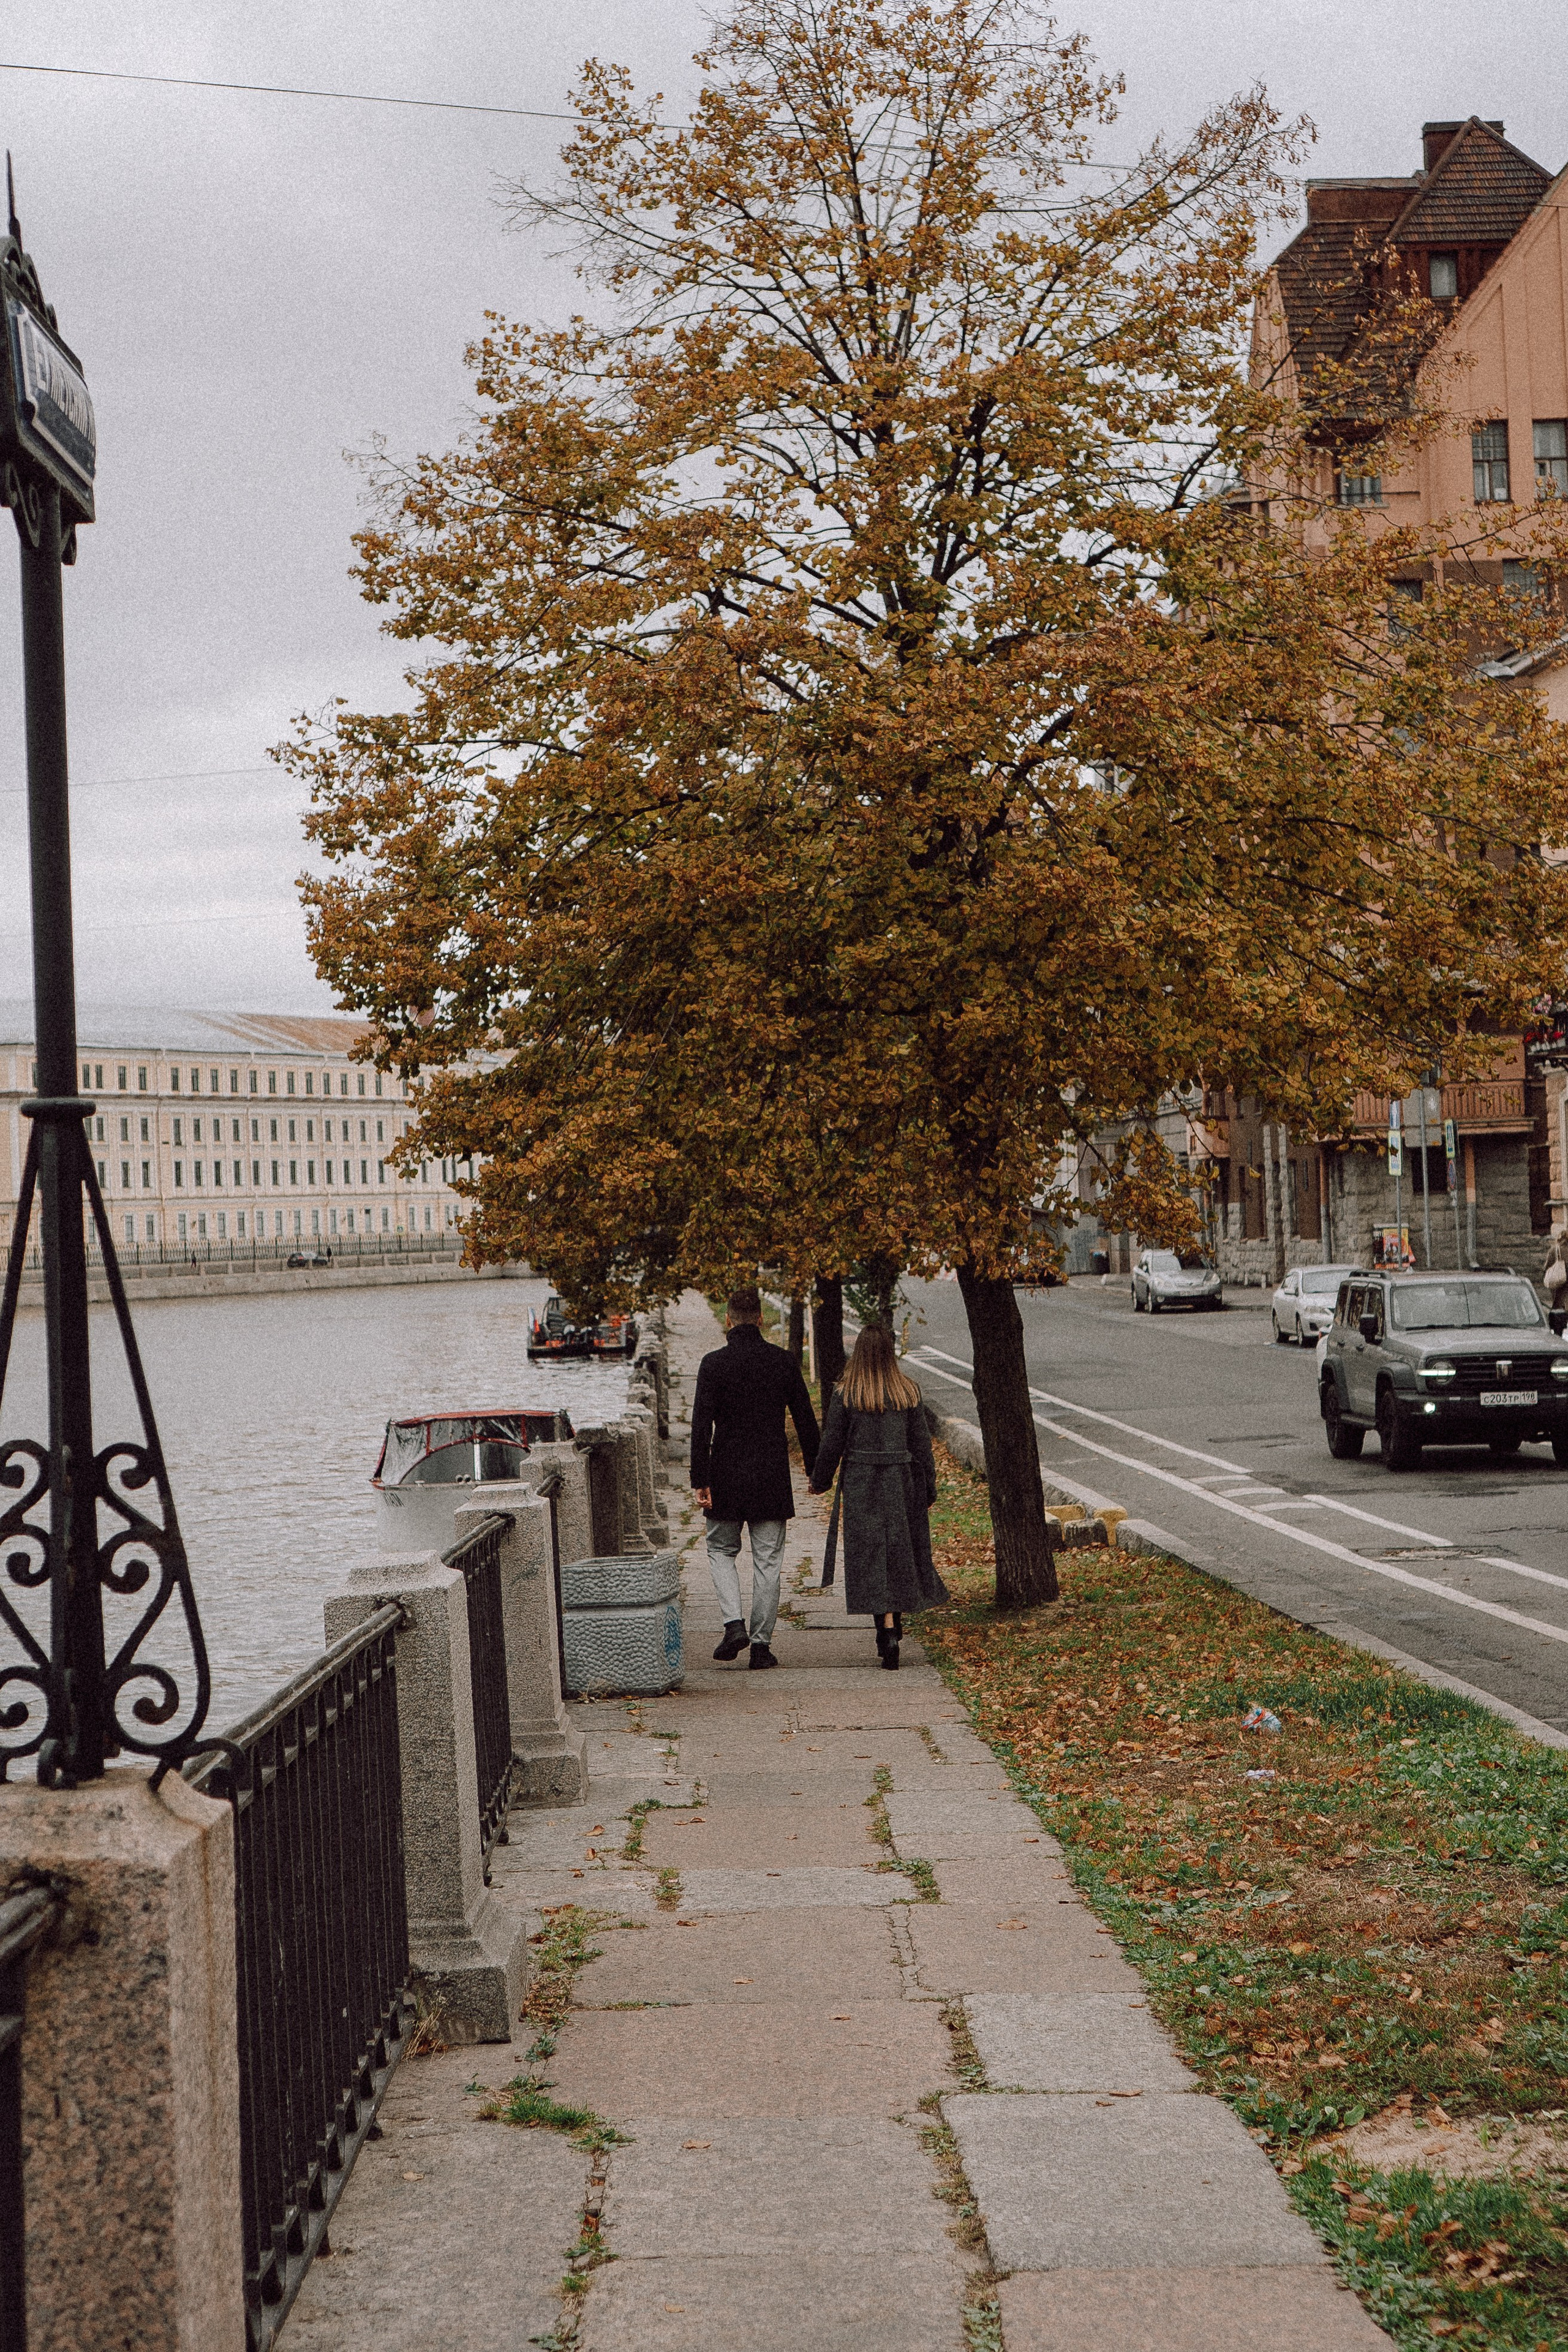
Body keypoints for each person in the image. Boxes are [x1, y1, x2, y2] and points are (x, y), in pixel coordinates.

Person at [690, 1286, 820, 1670]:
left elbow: (701, 1428)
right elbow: (805, 1421)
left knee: (720, 1551)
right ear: (761, 1318)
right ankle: (761, 1646)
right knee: (768, 1560)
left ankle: (734, 1624)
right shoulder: (782, 1361)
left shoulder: (713, 1365)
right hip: (770, 1474)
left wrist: (701, 1478)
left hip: (725, 1473)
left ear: (728, 1319)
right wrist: (816, 1472)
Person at [809, 1324, 946, 1671]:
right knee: (899, 1551)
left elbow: (832, 1444)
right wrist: (927, 1487)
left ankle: (884, 1630)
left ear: (859, 1352)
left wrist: (820, 1481)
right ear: (889, 1353)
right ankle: (892, 1627)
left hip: (861, 1481)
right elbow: (922, 1448)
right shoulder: (908, 1393)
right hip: (902, 1481)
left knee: (870, 1554)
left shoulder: (847, 1394)